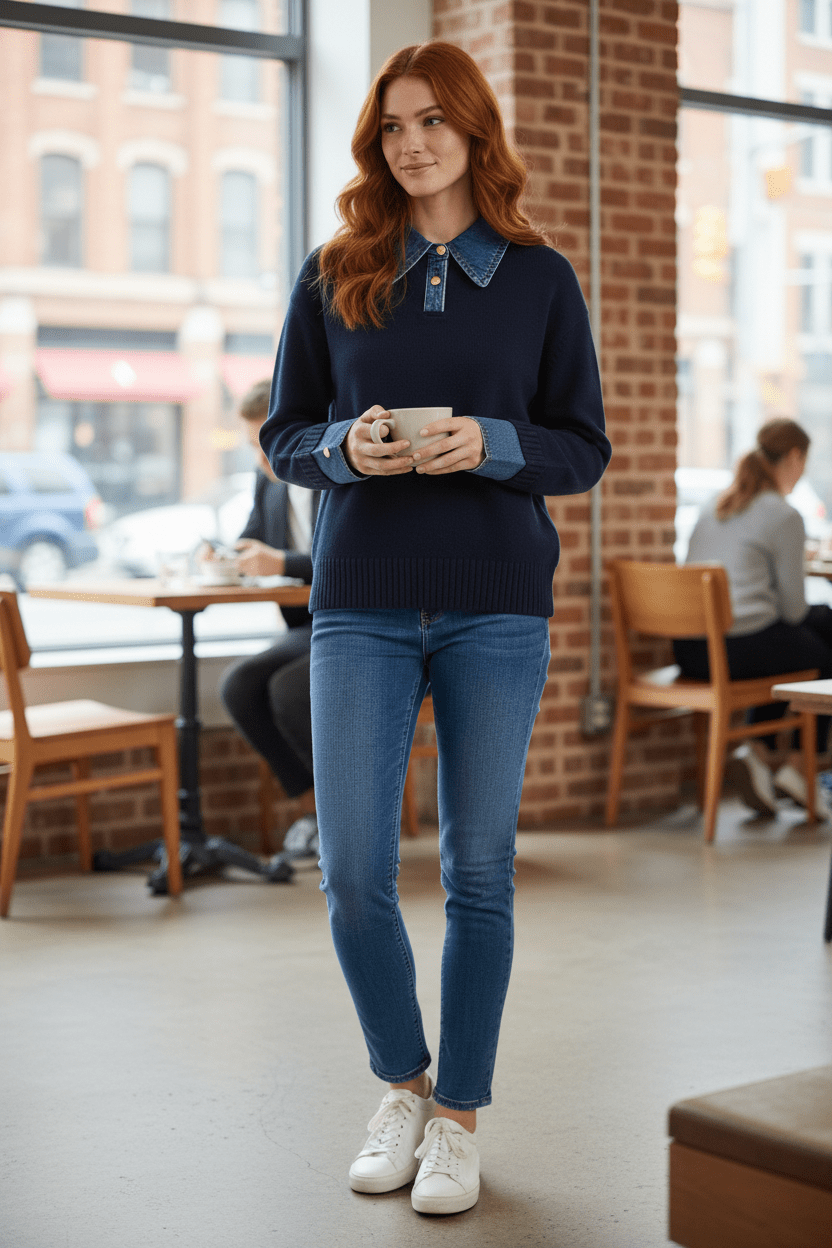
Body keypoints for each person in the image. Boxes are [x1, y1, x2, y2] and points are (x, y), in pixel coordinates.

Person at [260, 41, 610, 1216]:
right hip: (358, 595)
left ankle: (458, 1115)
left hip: (494, 602)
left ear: (472, 132)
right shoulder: (335, 269)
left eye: (431, 123)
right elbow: (284, 429)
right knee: (354, 872)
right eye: (392, 125)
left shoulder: (540, 276)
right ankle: (401, 1084)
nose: (410, 144)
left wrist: (496, 446)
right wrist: (339, 451)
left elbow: (583, 445)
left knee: (478, 872)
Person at [673, 417, 832, 817]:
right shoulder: (784, 515)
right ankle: (799, 768)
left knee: (808, 632)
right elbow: (793, 610)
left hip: (690, 649)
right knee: (820, 646)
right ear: (795, 457)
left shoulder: (716, 505)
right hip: (734, 650)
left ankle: (757, 754)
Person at [216, 379, 320, 860]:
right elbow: (252, 539)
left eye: (267, 444)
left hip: (352, 620)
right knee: (238, 686)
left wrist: (280, 563)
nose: (262, 460)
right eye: (253, 448)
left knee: (287, 689)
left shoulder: (331, 474)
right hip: (304, 627)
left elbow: (350, 562)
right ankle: (312, 812)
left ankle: (336, 819)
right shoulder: (268, 482)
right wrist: (220, 556)